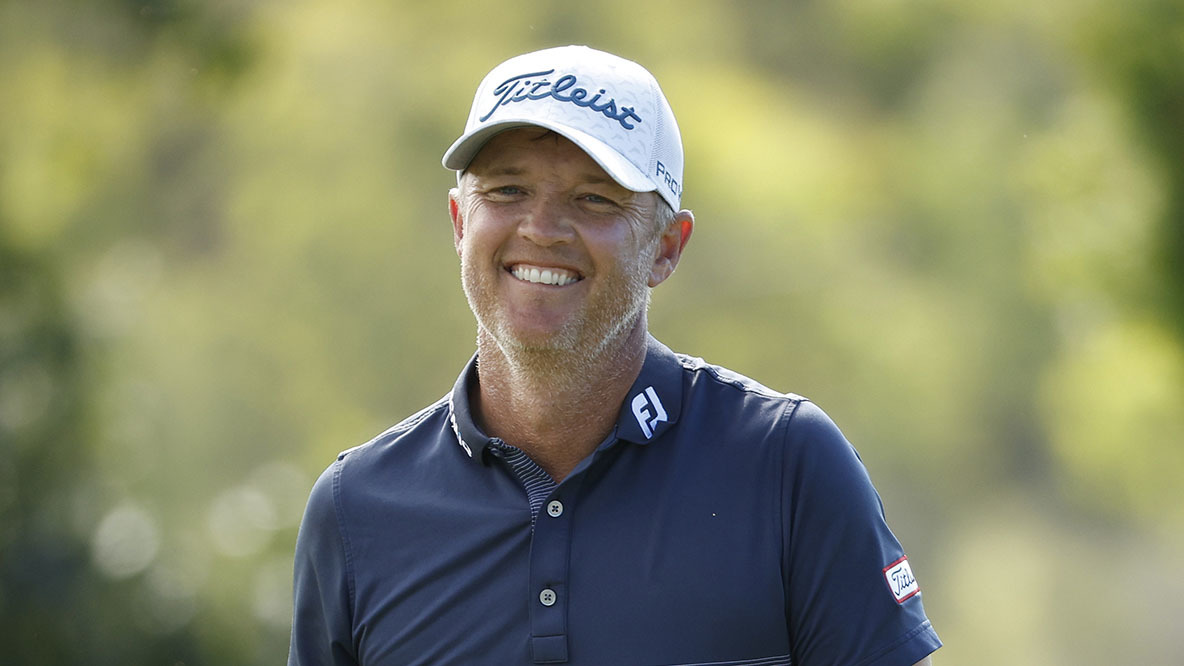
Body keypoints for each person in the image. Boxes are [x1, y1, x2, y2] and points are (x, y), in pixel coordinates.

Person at [289, 45, 941, 666]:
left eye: (594, 198)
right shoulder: (356, 509)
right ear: (461, 222)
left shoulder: (786, 466)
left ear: (666, 248)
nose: (541, 228)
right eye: (508, 190)